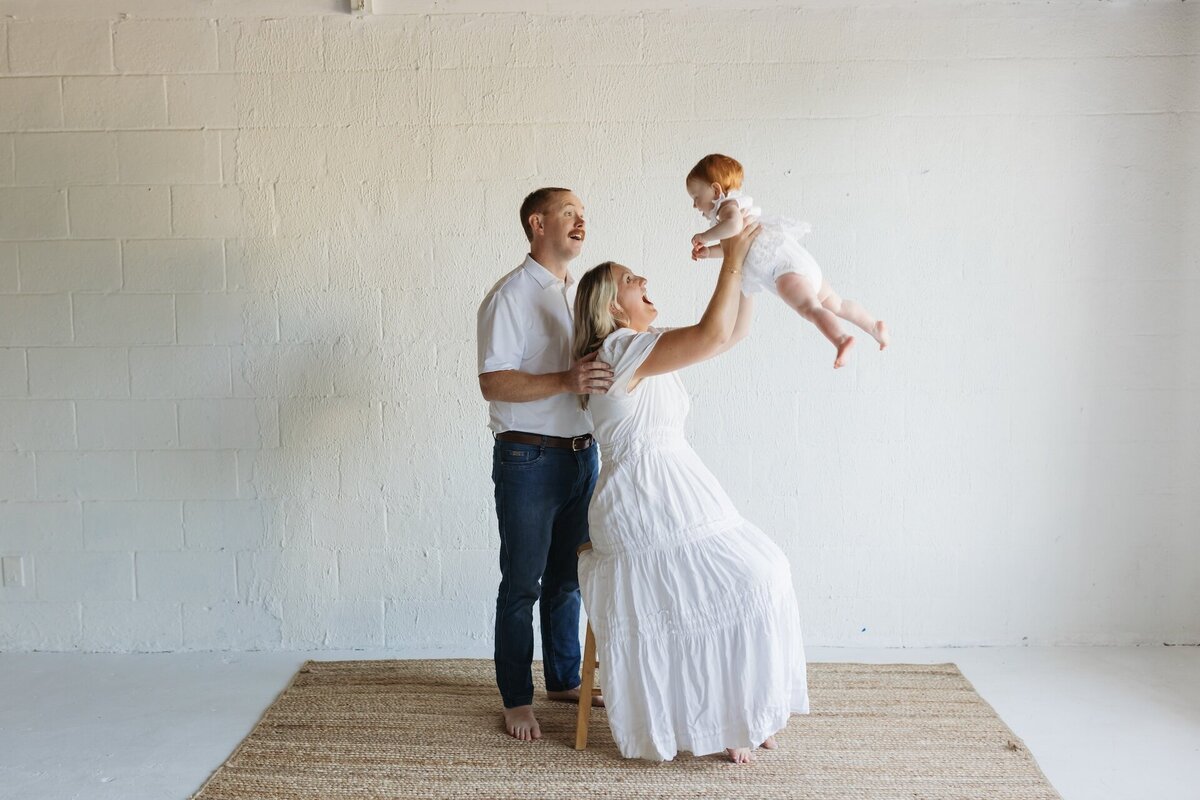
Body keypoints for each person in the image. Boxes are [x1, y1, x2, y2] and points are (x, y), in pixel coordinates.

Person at [572, 216, 810, 764]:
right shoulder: (619, 351)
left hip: (679, 488)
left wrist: (747, 272)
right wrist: (731, 253)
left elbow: (729, 336)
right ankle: (725, 720)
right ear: (611, 304)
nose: (644, 280)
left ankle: (744, 711)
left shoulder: (641, 346)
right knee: (730, 584)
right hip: (643, 498)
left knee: (764, 571)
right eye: (633, 279)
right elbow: (710, 334)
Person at [476, 187, 613, 742]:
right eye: (569, 214)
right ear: (537, 223)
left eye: (584, 214)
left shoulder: (576, 293)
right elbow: (492, 382)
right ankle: (515, 699)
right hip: (527, 457)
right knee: (522, 584)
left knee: (567, 582)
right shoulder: (509, 296)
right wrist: (567, 380)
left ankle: (561, 678)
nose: (582, 222)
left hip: (582, 455)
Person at [688, 153, 890, 368]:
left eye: (696, 198)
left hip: (783, 270)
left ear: (716, 190)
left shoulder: (727, 208)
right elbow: (735, 245)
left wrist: (704, 237)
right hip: (798, 261)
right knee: (836, 304)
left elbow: (734, 228)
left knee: (810, 309)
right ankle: (874, 326)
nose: (695, 205)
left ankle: (841, 338)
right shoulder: (736, 208)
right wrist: (709, 252)